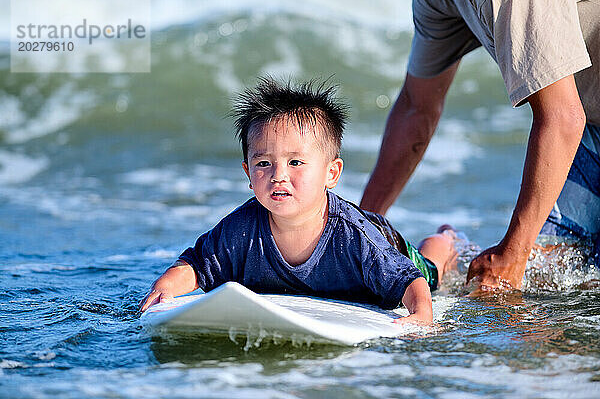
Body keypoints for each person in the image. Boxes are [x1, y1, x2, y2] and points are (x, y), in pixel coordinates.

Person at [139, 77, 458, 324]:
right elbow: (196, 265)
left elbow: (410, 280)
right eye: (264, 164)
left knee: (431, 272)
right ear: (248, 173)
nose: (278, 175)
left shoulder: (355, 238)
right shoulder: (241, 230)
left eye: (295, 162)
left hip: (389, 243)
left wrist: (421, 316)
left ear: (331, 173)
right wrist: (165, 288)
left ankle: (445, 240)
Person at [360, 0, 600, 290]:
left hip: (575, 124)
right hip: (589, 128)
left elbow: (563, 118)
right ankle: (447, 249)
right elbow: (416, 108)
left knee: (547, 285)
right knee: (546, 280)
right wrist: (361, 232)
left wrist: (513, 252)